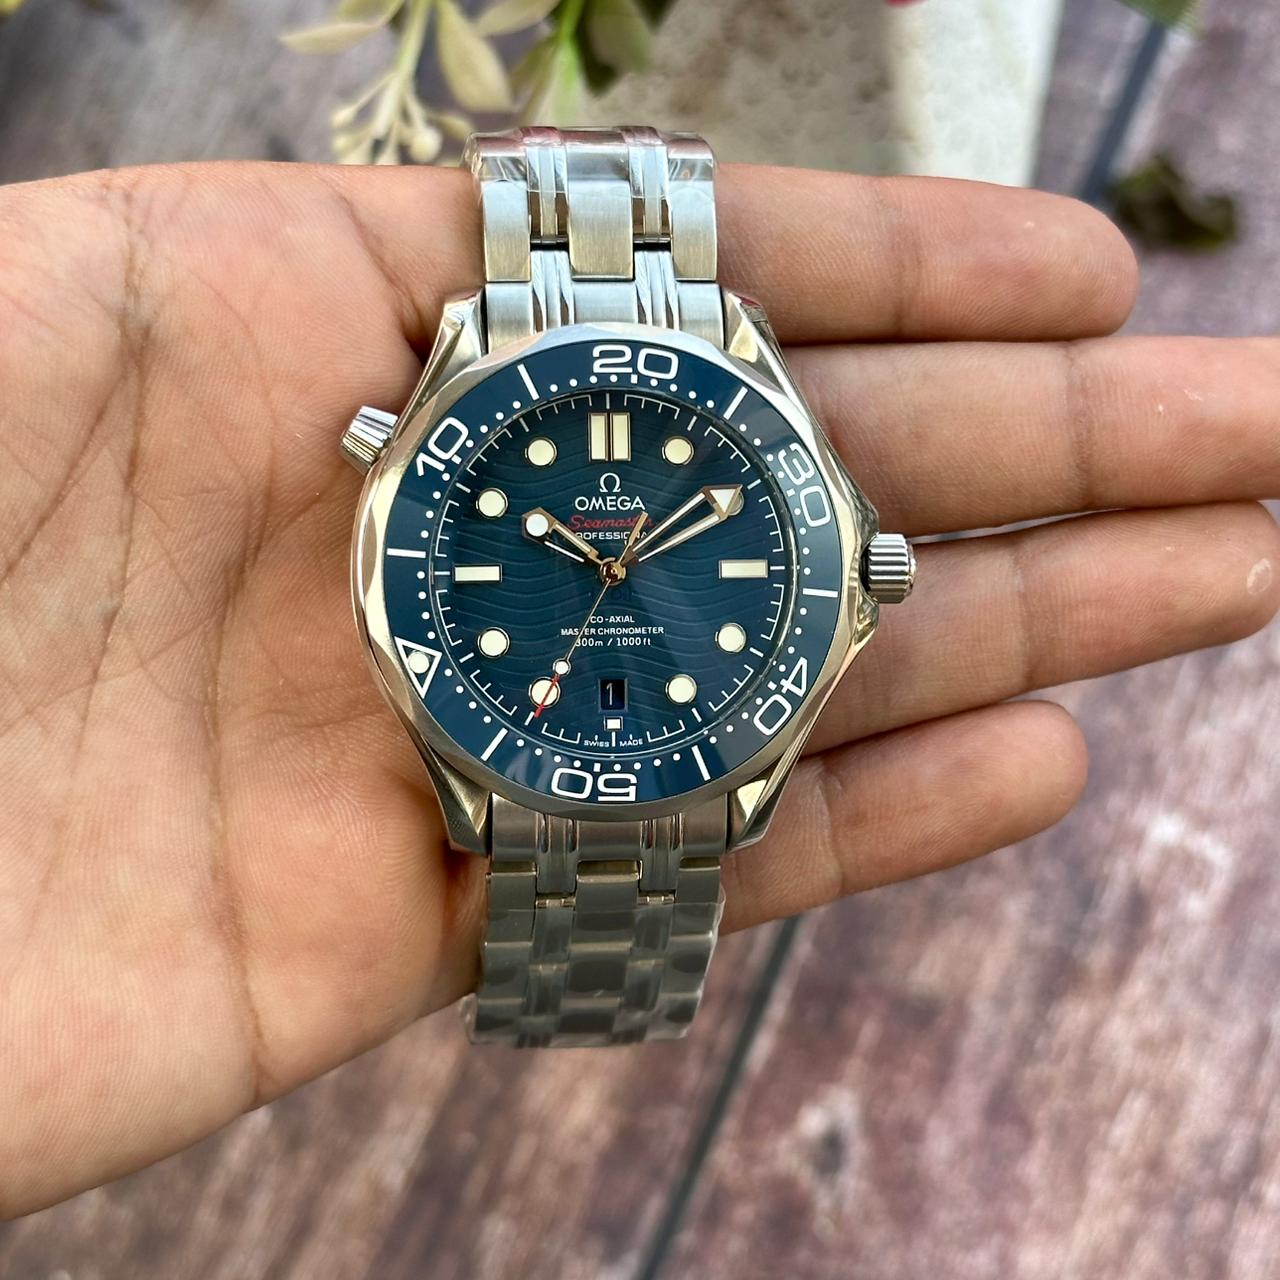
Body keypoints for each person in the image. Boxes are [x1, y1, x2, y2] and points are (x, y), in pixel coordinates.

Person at [1, 159, 1276, 1219]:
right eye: (598, 555)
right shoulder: (587, 464)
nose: (611, 565)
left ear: (861, 571)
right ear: (869, 570)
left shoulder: (771, 525)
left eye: (621, 556)